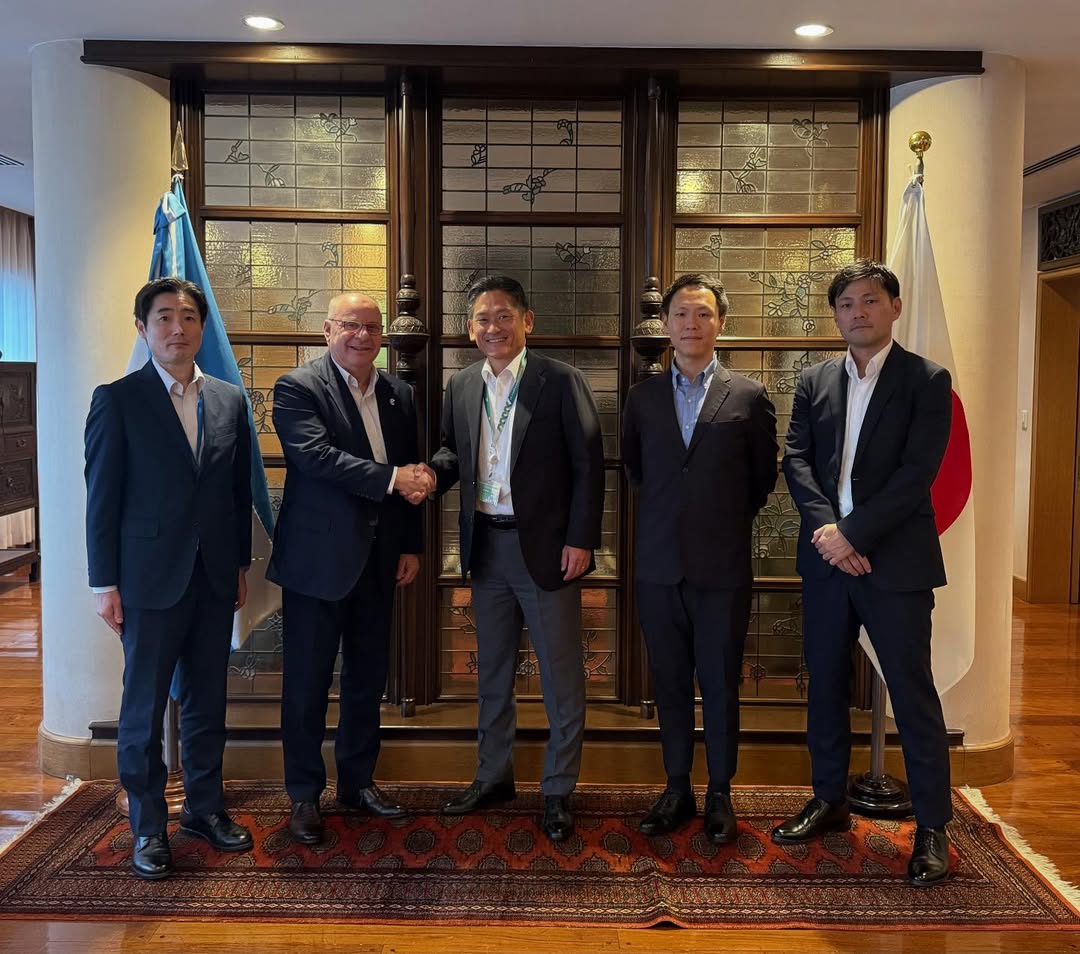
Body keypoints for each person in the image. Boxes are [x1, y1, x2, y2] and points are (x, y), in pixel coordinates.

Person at [770, 259, 954, 886]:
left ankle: (932, 826)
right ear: (836, 315)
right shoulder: (814, 379)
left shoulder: (926, 380)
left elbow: (917, 473)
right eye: (846, 304)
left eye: (870, 301)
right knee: (824, 682)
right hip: (828, 562)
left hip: (894, 561)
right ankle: (829, 799)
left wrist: (853, 534)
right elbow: (797, 458)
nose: (858, 313)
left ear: (894, 308)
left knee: (911, 691)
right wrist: (830, 533)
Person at [84, 277, 254, 880]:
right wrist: (104, 583)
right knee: (144, 708)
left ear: (202, 328)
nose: (176, 328)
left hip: (213, 578)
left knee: (208, 702)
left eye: (187, 317)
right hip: (147, 580)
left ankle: (204, 810)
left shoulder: (229, 399)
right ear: (143, 328)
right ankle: (148, 826)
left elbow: (236, 492)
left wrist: (239, 565)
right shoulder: (118, 399)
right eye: (163, 317)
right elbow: (101, 498)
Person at [426, 274, 604, 842]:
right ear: (469, 328)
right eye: (482, 318)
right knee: (493, 673)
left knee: (560, 675)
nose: (493, 327)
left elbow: (588, 464)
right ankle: (493, 776)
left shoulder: (560, 380)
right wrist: (426, 475)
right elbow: (452, 452)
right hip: (487, 546)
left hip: (547, 548)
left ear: (527, 321)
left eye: (504, 316)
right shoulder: (461, 385)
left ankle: (558, 788)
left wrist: (581, 539)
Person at [267, 292, 429, 845]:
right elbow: (315, 459)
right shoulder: (298, 388)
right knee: (307, 684)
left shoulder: (399, 393)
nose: (362, 336)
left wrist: (411, 545)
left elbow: (410, 472)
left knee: (367, 679)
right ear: (327, 330)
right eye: (350, 326)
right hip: (317, 562)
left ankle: (357, 784)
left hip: (381, 561)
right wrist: (392, 479)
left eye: (372, 327)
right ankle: (304, 794)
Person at [622, 273, 777, 843]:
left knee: (719, 682)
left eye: (704, 314)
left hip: (722, 569)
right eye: (682, 314)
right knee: (668, 682)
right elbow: (637, 470)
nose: (692, 324)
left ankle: (720, 793)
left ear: (721, 323)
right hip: (659, 567)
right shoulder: (641, 398)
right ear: (666, 324)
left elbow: (762, 479)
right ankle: (676, 788)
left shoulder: (749, 396)